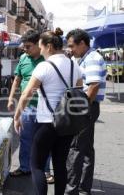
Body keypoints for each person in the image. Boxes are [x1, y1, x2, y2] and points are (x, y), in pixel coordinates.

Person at [14, 28, 83, 195]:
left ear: (50, 47)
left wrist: (17, 116)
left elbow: (26, 94)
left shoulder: (44, 67)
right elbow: (79, 91)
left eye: (41, 47)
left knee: (36, 165)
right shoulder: (74, 65)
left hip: (47, 123)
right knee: (60, 165)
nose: (41, 50)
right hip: (67, 124)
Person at [65, 29, 106, 195]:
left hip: (86, 107)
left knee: (75, 148)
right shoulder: (84, 58)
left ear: (82, 43)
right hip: (88, 106)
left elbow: (93, 85)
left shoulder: (93, 58)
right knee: (86, 148)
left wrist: (80, 109)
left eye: (72, 46)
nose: (70, 49)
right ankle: (83, 188)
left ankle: (71, 190)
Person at [7, 30, 46, 176]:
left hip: (45, 108)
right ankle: (24, 167)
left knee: (43, 141)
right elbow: (17, 79)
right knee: (25, 139)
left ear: (38, 45)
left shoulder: (46, 59)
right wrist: (11, 97)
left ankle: (44, 171)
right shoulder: (23, 58)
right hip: (27, 107)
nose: (25, 49)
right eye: (24, 46)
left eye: (28, 46)